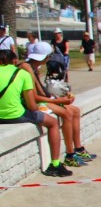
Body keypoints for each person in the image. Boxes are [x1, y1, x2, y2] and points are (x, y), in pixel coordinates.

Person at [0, 49, 70, 177]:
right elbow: (32, 106)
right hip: (16, 115)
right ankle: (55, 164)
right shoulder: (22, 74)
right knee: (53, 123)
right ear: (14, 61)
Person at [24, 48, 95, 167]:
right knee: (67, 114)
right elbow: (34, 97)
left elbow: (41, 91)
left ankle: (78, 148)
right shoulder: (27, 68)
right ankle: (69, 154)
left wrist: (57, 98)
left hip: (40, 100)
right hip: (33, 103)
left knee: (75, 111)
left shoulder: (34, 67)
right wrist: (58, 100)